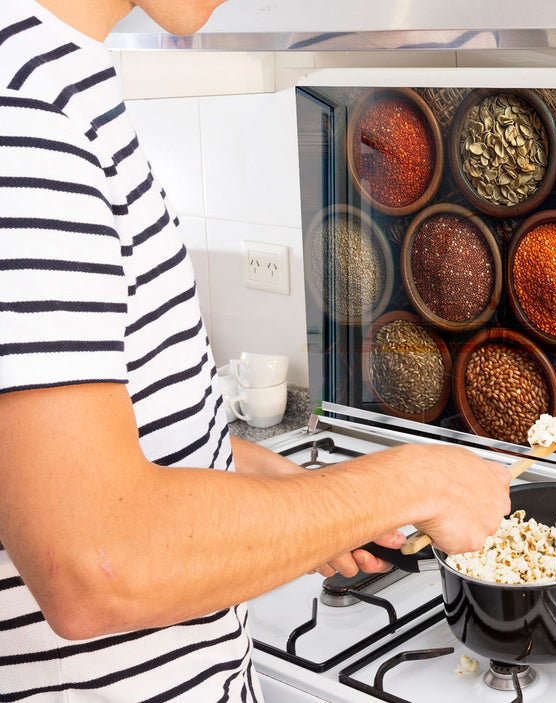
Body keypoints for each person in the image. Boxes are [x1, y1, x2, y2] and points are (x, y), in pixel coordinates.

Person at [0, 0, 512, 699]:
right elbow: (94, 563)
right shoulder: (24, 116)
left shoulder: (56, 81)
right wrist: (416, 480)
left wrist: (298, 499)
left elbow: (92, 451)